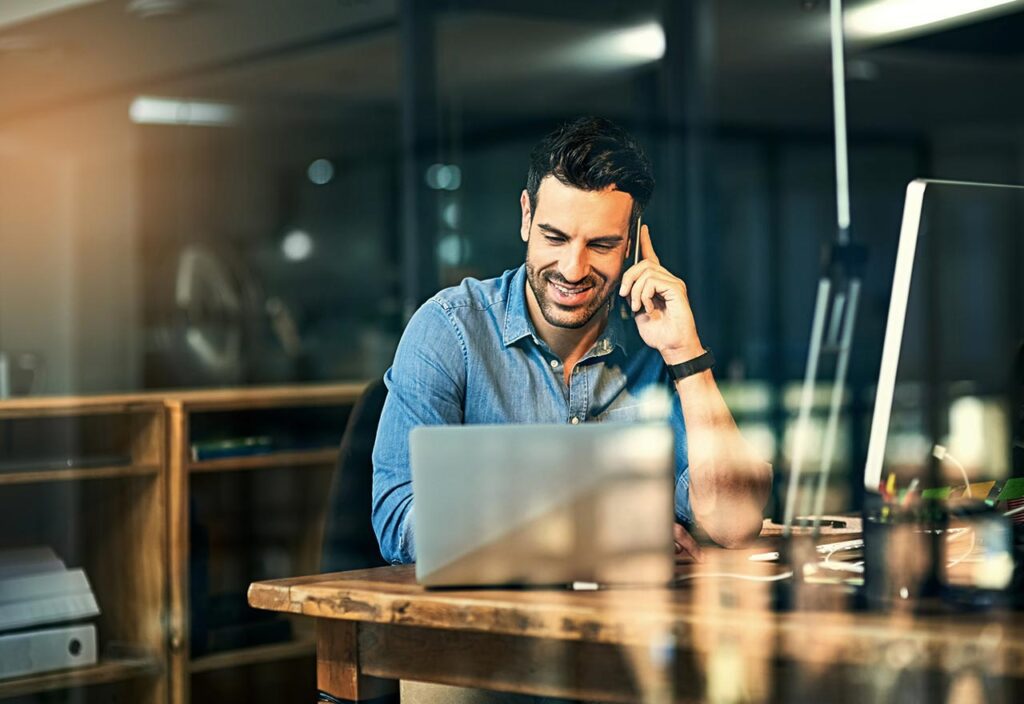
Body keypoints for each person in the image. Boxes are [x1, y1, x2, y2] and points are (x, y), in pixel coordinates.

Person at [372, 116, 771, 567]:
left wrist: (685, 355)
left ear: (633, 245)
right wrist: (605, 531)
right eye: (554, 237)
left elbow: (734, 524)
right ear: (526, 216)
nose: (573, 269)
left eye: (601, 244)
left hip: (632, 625)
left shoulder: (656, 345)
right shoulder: (451, 330)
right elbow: (400, 523)